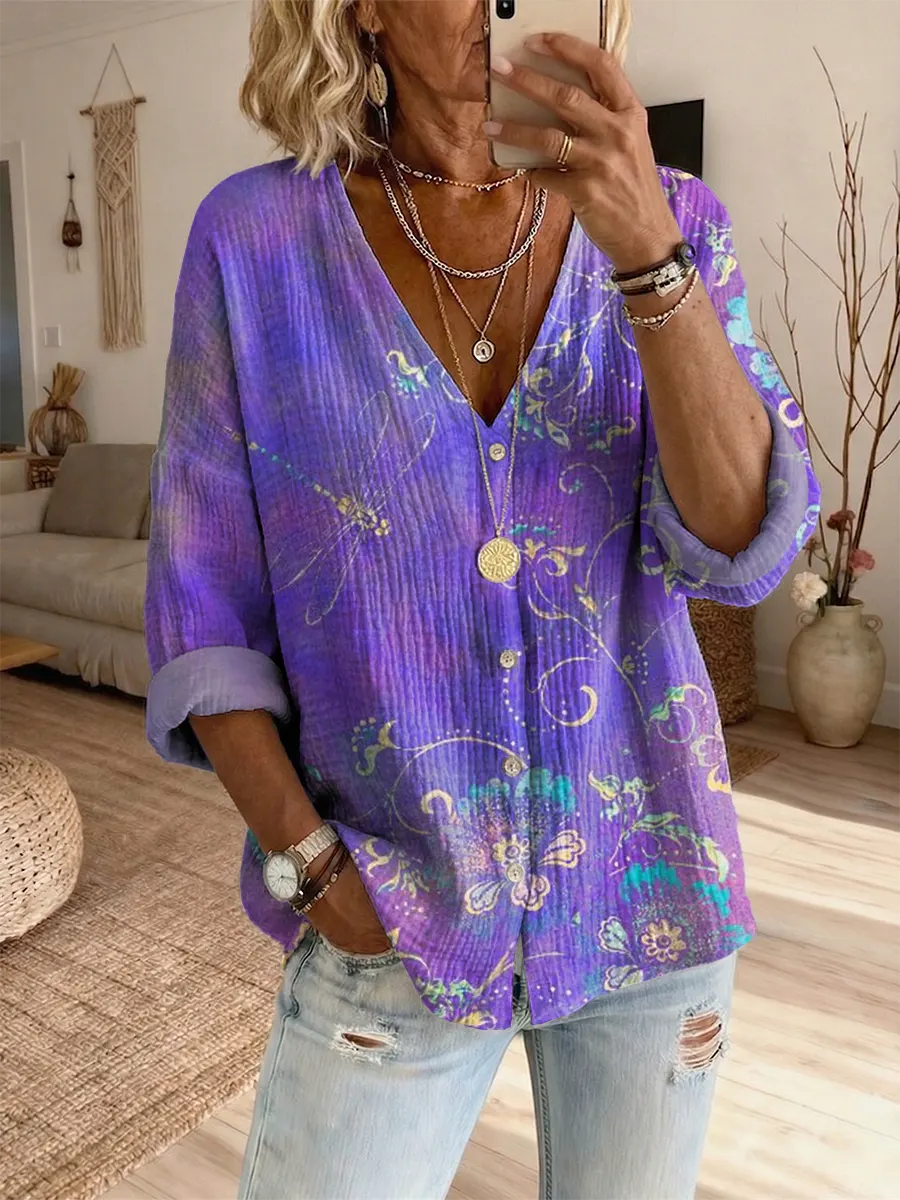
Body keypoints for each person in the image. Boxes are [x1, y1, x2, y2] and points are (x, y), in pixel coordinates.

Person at [144, 0, 819, 1196]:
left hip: (648, 900)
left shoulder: (676, 219)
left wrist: (646, 251)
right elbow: (203, 607)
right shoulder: (255, 242)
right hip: (395, 912)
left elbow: (736, 548)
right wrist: (314, 872)